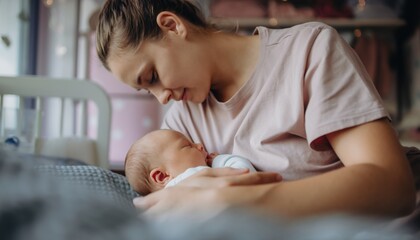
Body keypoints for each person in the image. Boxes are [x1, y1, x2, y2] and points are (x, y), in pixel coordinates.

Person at [96, 0, 417, 221]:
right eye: (146, 89)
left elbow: (393, 186)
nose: (161, 98)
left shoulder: (308, 50)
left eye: (152, 77)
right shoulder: (181, 123)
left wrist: (231, 200)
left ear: (171, 26)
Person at [125, 129, 257, 196]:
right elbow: (245, 174)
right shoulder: (194, 176)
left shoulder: (160, 205)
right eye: (187, 146)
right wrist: (219, 161)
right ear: (162, 176)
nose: (199, 145)